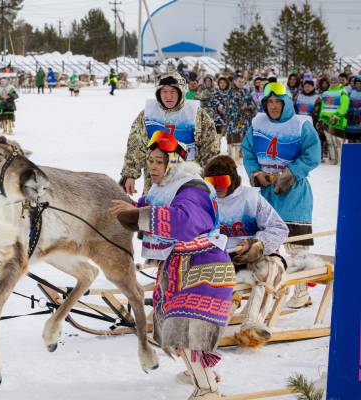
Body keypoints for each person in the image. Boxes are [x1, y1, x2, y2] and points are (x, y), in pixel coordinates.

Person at [110, 131, 234, 400]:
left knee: (189, 332)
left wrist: (137, 215)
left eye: (158, 162)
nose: (152, 167)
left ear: (173, 163)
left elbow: (185, 222)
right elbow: (151, 205)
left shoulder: (192, 189)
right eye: (150, 161)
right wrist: (131, 207)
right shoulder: (166, 188)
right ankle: (202, 374)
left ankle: (208, 391)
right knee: (177, 331)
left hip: (204, 267)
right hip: (182, 267)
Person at [241, 81, 321, 309]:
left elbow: (311, 155)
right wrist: (256, 173)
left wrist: (289, 174)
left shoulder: (301, 124)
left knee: (296, 247)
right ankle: (272, 290)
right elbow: (248, 152)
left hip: (294, 194)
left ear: (286, 102)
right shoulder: (257, 124)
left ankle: (301, 293)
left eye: (278, 102)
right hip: (266, 195)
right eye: (270, 102)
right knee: (267, 246)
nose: (274, 106)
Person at [203, 156, 288, 347]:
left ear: (233, 179)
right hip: (223, 258)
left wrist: (259, 245)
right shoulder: (206, 202)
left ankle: (252, 323)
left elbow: (278, 228)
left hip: (254, 254)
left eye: (222, 181)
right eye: (211, 182)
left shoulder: (251, 198)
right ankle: (211, 324)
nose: (217, 187)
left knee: (270, 269)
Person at [119, 71, 220, 195]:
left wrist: (208, 176)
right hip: (155, 182)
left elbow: (210, 148)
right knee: (155, 213)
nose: (168, 96)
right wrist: (130, 175)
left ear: (181, 92)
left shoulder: (196, 114)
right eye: (164, 92)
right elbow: (135, 146)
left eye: (173, 92)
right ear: (158, 93)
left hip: (188, 180)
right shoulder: (148, 114)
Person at [317, 75, 350, 164]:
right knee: (330, 142)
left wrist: (337, 116)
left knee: (338, 142)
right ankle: (332, 160)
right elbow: (323, 106)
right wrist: (320, 118)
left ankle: (340, 160)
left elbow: (344, 105)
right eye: (332, 82)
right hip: (327, 120)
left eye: (335, 82)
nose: (333, 84)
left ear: (338, 82)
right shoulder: (326, 93)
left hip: (338, 120)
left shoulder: (342, 92)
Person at [225, 75, 255, 162]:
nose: (241, 83)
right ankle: (234, 160)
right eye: (239, 81)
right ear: (234, 82)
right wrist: (243, 108)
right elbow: (231, 106)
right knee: (234, 141)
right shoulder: (230, 92)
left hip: (244, 121)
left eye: (243, 82)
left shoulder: (246, 91)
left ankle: (240, 158)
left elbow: (252, 104)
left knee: (243, 141)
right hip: (233, 121)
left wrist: (248, 107)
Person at [345, 76, 361, 143]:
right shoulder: (350, 92)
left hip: (359, 118)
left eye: (360, 83)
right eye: (357, 83)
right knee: (350, 137)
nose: (358, 85)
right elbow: (347, 103)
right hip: (351, 118)